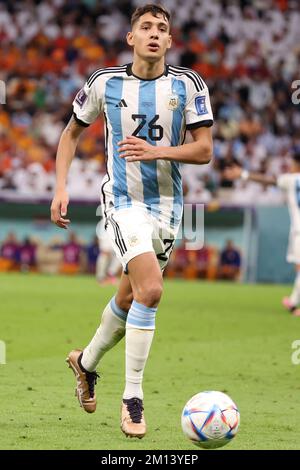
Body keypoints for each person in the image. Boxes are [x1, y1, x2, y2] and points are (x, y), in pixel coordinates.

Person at [50, 3, 213, 438]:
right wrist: (61, 187)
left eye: (162, 28)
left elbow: (204, 150)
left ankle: (84, 364)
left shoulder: (189, 84)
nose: (154, 34)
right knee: (153, 290)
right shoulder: (106, 82)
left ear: (170, 40)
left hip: (169, 208)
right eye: (146, 27)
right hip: (122, 202)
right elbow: (70, 133)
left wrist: (157, 150)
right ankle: (133, 400)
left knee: (128, 300)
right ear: (131, 37)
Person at [225, 150, 300, 316]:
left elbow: (268, 180)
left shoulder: (292, 180)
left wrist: (242, 174)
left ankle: (294, 303)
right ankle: (293, 301)